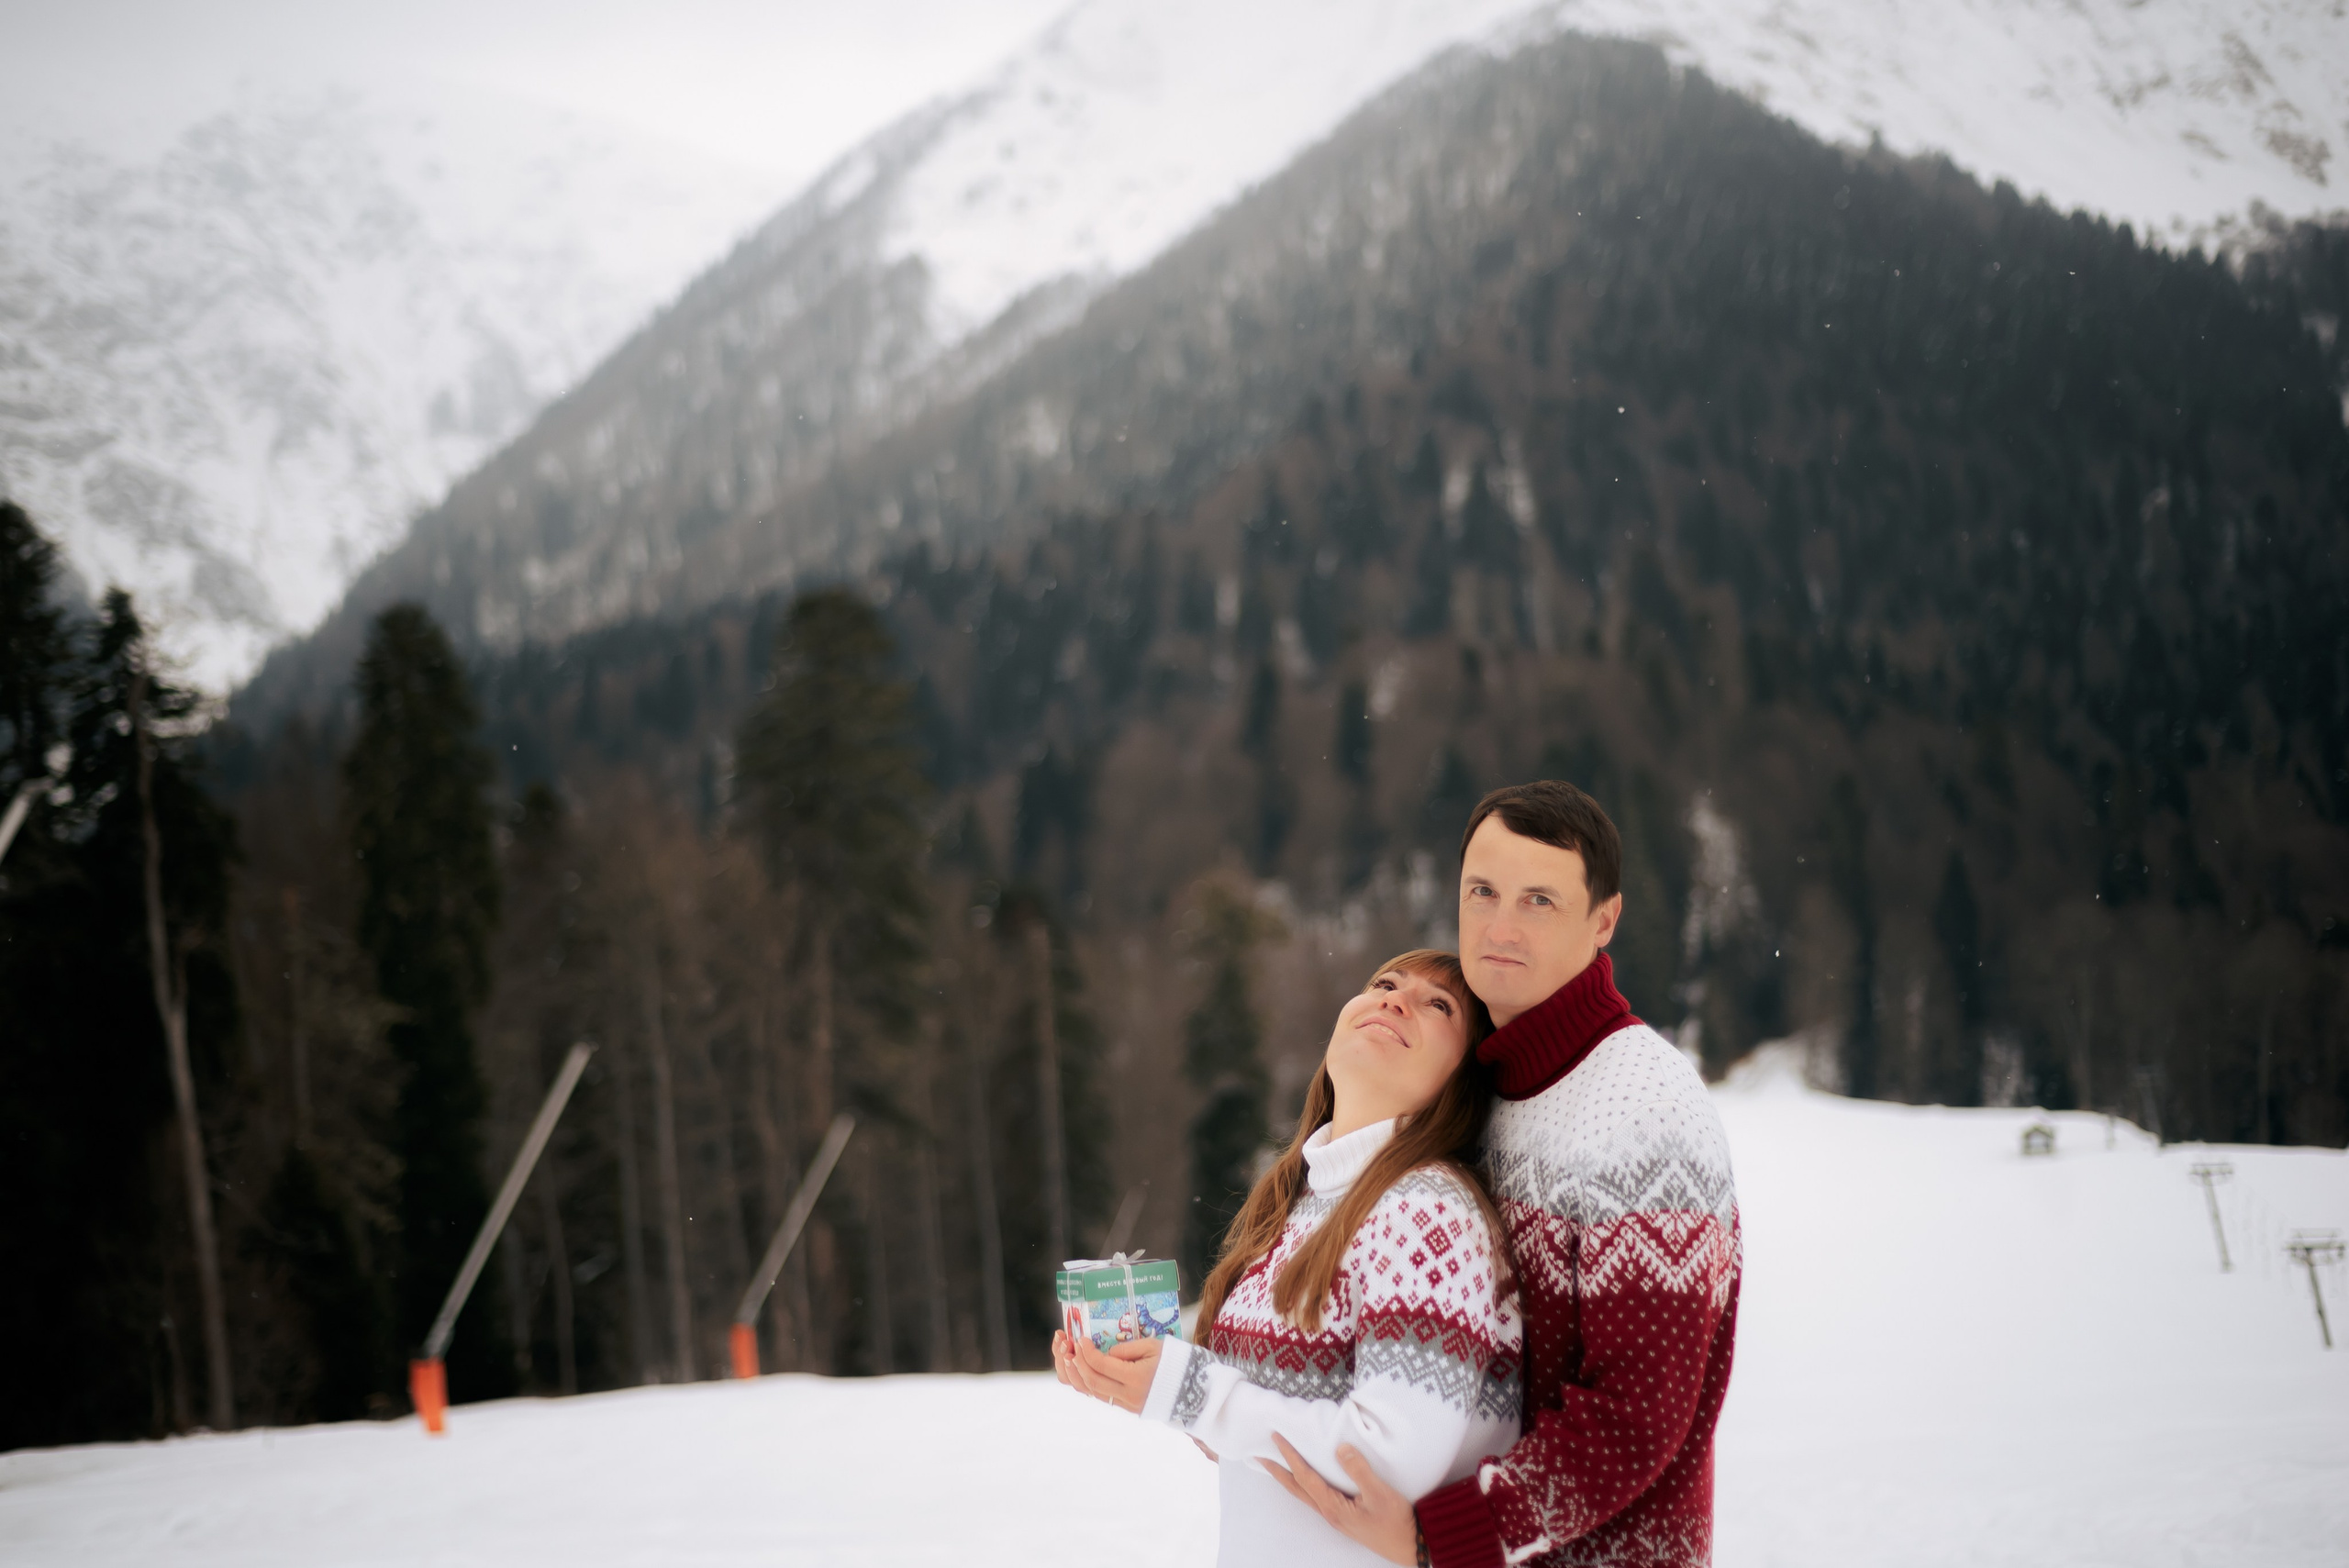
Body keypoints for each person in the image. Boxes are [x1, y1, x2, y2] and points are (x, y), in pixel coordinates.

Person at [1262, 780, 1742, 1568]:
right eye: (1482, 891)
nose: (1500, 927)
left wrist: (1447, 1535)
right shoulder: (1480, 1089)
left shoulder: (1644, 1106)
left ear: (1605, 920)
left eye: (1539, 901)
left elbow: (1635, 1416)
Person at [1057, 951, 1522, 1568]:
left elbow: (1385, 1461)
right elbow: (1262, 1429)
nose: (1394, 999)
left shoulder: (1427, 1207)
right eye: (1384, 982)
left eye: (1439, 1004)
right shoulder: (1302, 1202)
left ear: (1464, 1078)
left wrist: (1188, 1391)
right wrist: (1144, 1375)